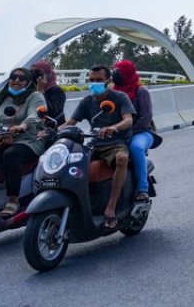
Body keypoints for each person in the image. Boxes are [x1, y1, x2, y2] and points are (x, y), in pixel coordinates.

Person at [59, 66, 135, 229]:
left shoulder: (120, 97)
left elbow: (128, 119)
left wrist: (114, 127)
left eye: (99, 80)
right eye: (91, 80)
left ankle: (111, 206)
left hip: (114, 143)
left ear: (108, 80)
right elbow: (71, 122)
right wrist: (52, 132)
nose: (94, 83)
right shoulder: (87, 101)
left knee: (122, 158)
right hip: (93, 144)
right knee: (70, 164)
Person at [0, 67, 47, 217]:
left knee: (10, 155)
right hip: (1, 141)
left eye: (21, 78)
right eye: (13, 77)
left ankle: (13, 199)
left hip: (28, 140)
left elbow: (36, 115)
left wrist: (23, 125)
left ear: (28, 81)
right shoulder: (0, 98)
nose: (17, 80)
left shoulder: (35, 96)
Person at [112, 60, 162, 203]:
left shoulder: (140, 91)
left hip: (141, 132)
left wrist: (127, 131)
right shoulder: (113, 92)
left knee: (135, 147)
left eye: (120, 72)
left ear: (128, 74)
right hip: (119, 132)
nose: (116, 75)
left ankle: (142, 189)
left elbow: (146, 118)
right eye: (115, 71)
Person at [30, 60, 66, 145]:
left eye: (37, 72)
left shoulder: (57, 91)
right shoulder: (31, 91)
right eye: (31, 72)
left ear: (47, 74)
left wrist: (41, 91)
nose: (34, 75)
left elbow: (51, 112)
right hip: (34, 130)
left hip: (53, 130)